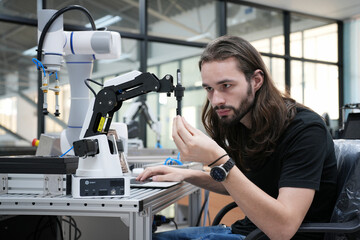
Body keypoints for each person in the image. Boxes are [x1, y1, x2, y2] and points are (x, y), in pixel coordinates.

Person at [137, 35, 337, 240]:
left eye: (226, 86)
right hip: (247, 231)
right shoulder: (242, 123)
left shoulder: (305, 130)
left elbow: (283, 229)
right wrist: (188, 175)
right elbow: (241, 184)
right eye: (209, 89)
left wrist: (218, 160)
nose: (216, 100)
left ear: (256, 80)